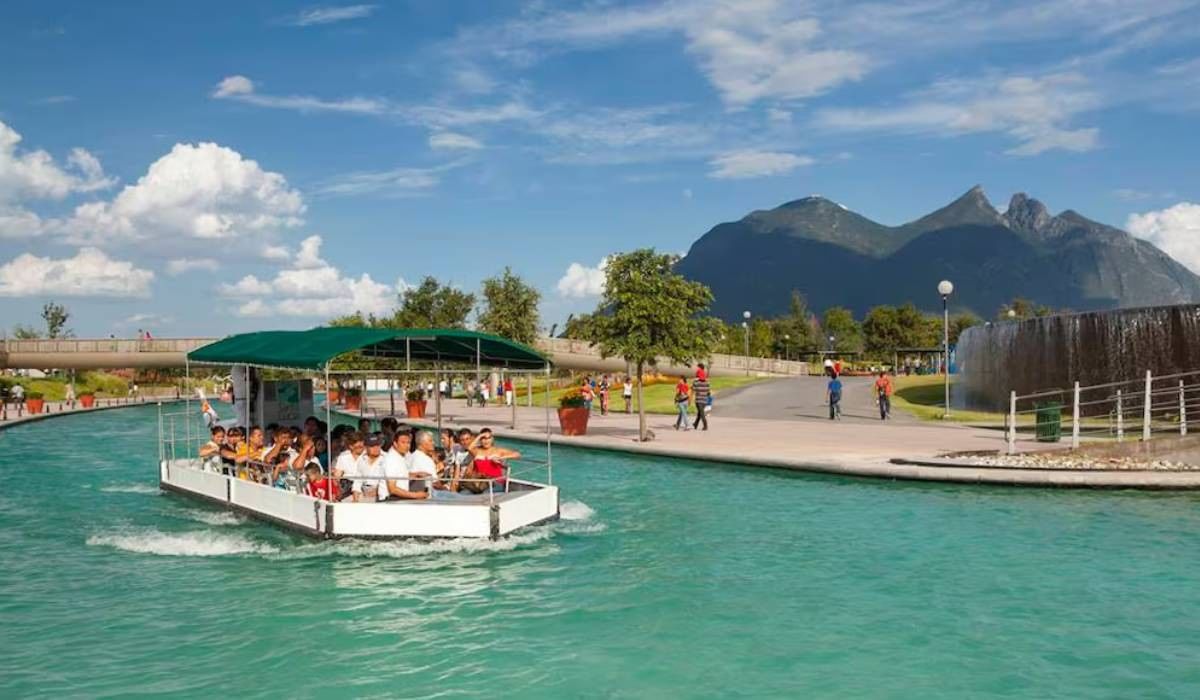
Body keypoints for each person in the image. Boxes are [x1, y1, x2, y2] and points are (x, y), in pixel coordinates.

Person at [453, 428, 520, 494]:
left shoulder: (498, 450)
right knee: (464, 494)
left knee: (486, 494)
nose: (486, 441)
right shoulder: (477, 451)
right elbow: (469, 447)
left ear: (492, 439)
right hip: (479, 483)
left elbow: (517, 454)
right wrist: (480, 436)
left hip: (495, 482)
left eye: (488, 438)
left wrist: (501, 457)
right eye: (483, 438)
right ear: (480, 440)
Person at [383, 431, 428, 500]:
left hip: (398, 498)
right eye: (403, 442)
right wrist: (416, 495)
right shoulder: (391, 459)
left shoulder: (400, 456)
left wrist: (415, 474)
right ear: (395, 444)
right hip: (390, 500)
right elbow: (392, 489)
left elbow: (399, 475)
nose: (407, 446)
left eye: (408, 443)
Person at [351, 434, 388, 502]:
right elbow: (357, 480)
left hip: (382, 494)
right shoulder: (361, 459)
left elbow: (390, 482)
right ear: (366, 447)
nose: (376, 448)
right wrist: (355, 499)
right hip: (363, 492)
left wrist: (377, 491)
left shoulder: (387, 458)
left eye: (378, 445)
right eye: (372, 446)